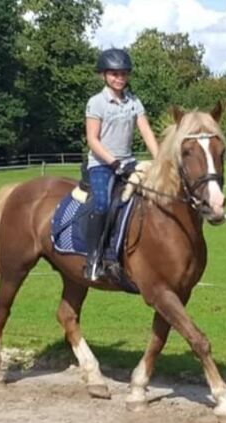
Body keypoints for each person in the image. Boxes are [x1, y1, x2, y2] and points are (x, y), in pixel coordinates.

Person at [83, 48, 160, 281]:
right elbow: (92, 140)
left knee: (153, 195)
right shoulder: (96, 102)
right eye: (114, 73)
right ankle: (94, 260)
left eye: (123, 74)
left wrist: (160, 160)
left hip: (128, 162)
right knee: (103, 205)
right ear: (104, 75)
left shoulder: (133, 102)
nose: (119, 78)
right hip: (101, 164)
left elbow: (145, 131)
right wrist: (114, 163)